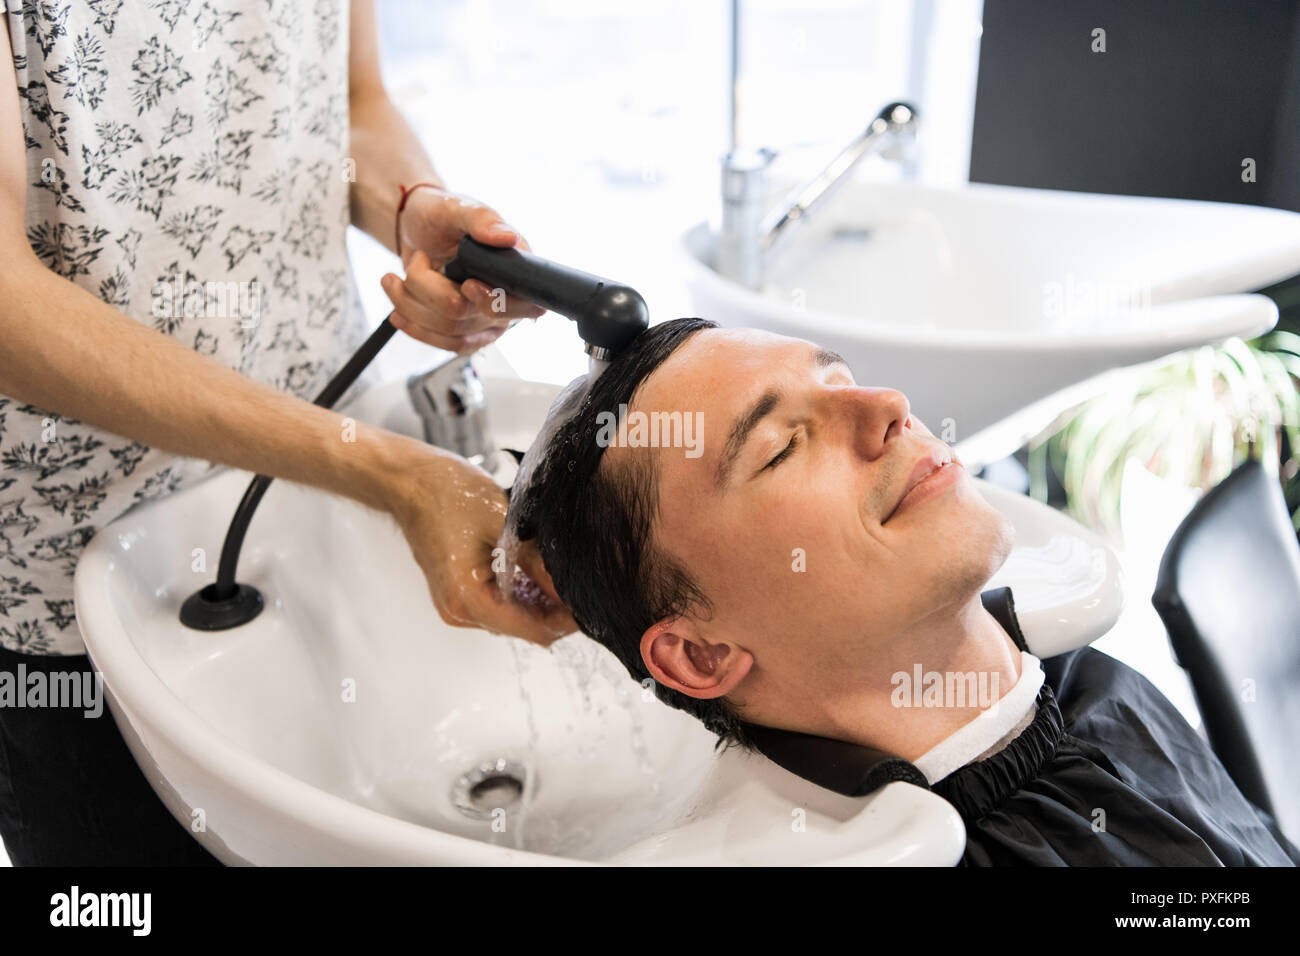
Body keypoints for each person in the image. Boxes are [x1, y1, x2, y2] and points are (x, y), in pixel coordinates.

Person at [0, 0, 573, 865]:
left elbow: (353, 104)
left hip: (329, 488)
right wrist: (390, 474)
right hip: (81, 577)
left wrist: (413, 210)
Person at [512, 317, 1300, 866]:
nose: (889, 409)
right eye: (783, 447)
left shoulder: (1077, 678)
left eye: (842, 380)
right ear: (699, 652)